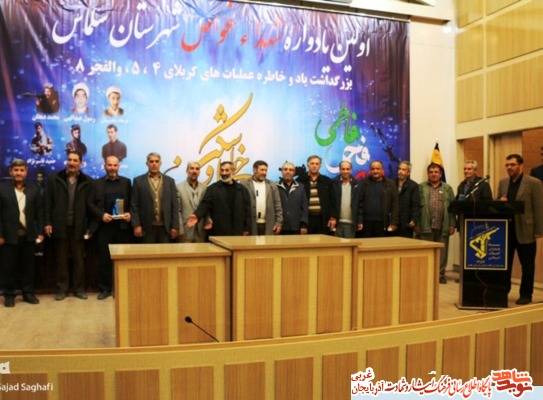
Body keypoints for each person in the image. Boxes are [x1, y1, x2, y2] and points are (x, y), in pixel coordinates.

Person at [45, 151, 91, 300]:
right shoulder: (54, 179)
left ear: (80, 163)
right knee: (61, 260)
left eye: (75, 160)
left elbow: (90, 206)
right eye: (70, 160)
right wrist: (48, 222)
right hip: (60, 226)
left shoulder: (87, 181)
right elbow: (47, 203)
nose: (72, 163)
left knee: (79, 260)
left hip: (79, 227)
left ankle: (79, 289)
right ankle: (62, 289)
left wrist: (90, 227)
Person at [497, 154, 543, 305]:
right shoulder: (503, 183)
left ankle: (526, 294)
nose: (509, 167)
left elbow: (538, 208)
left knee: (527, 265)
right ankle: (503, 292)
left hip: (526, 230)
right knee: (505, 265)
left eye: (512, 164)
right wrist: (500, 202)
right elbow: (497, 204)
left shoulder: (534, 183)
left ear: (521, 166)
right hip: (506, 231)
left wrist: (539, 230)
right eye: (507, 165)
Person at [0, 159, 44, 307]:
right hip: (8, 236)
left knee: (28, 267)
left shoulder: (34, 189)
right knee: (8, 267)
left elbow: (39, 212)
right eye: (16, 170)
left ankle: (28, 293)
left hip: (28, 235)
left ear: (26, 172)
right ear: (10, 172)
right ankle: (9, 294)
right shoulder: (2, 189)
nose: (19, 173)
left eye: (21, 170)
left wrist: (41, 231)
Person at [87, 156, 132, 300]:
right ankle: (105, 288)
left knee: (122, 259)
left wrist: (130, 214)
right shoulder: (96, 184)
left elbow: (133, 202)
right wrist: (101, 215)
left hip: (122, 227)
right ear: (105, 166)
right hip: (103, 227)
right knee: (104, 259)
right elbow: (89, 204)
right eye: (109, 165)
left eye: (115, 165)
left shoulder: (126, 182)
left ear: (119, 166)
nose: (112, 168)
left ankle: (120, 287)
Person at [187, 161, 251, 236]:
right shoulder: (213, 188)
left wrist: (247, 229)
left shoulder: (242, 190)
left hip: (238, 231)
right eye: (222, 170)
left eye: (227, 170)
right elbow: (205, 204)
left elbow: (248, 211)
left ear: (233, 171)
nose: (224, 173)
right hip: (219, 232)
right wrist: (197, 215)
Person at [418, 163, 456, 284]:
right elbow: (416, 207)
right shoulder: (420, 188)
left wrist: (452, 224)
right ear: (428, 174)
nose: (433, 174)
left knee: (442, 253)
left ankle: (440, 275)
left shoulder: (447, 188)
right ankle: (426, 274)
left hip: (443, 225)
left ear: (440, 174)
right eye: (431, 172)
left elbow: (453, 208)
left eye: (436, 172)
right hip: (425, 225)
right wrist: (417, 224)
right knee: (426, 252)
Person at [130, 153, 179, 243]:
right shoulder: (138, 181)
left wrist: (175, 226)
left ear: (160, 163)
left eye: (156, 161)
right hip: (146, 227)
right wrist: (136, 225)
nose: (154, 164)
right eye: (151, 161)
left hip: (165, 227)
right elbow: (134, 205)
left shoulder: (170, 181)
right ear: (147, 163)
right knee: (148, 252)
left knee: (165, 251)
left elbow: (175, 206)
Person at [239, 160, 283, 235]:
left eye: (266, 170)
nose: (264, 173)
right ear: (254, 170)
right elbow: (240, 206)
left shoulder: (272, 185)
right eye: (262, 170)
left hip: (268, 225)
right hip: (250, 226)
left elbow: (277, 205)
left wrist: (278, 223)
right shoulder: (244, 184)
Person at [296, 155, 337, 234]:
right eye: (312, 163)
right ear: (308, 165)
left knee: (323, 241)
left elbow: (333, 201)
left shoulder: (327, 181)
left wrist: (333, 217)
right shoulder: (300, 180)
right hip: (306, 220)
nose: (314, 166)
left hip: (323, 219)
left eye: (317, 164)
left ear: (320, 166)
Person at [358, 160, 399, 237]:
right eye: (373, 169)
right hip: (366, 223)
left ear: (382, 169)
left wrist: (394, 222)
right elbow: (359, 204)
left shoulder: (390, 184)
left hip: (383, 223)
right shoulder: (363, 183)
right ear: (370, 170)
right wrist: (359, 221)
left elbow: (395, 205)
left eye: (377, 169)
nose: (375, 171)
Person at [176, 161, 209, 243]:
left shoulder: (204, 187)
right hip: (185, 230)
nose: (194, 171)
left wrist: (208, 221)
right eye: (192, 168)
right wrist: (180, 230)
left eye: (197, 169)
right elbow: (177, 211)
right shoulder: (178, 187)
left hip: (201, 231)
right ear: (187, 171)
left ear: (199, 172)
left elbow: (207, 207)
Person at [277, 161, 308, 235]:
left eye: (291, 170)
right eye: (285, 169)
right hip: (280, 227)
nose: (288, 172)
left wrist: (304, 224)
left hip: (296, 227)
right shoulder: (275, 187)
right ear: (282, 171)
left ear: (294, 172)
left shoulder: (301, 187)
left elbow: (304, 206)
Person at [332, 161, 362, 238]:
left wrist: (360, 221)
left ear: (351, 170)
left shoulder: (357, 184)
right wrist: (332, 217)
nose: (345, 171)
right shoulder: (333, 183)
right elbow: (330, 203)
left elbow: (360, 205)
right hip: (336, 223)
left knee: (349, 245)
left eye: (348, 169)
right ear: (339, 170)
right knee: (335, 245)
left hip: (351, 224)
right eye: (343, 169)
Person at [396, 161, 420, 238]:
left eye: (403, 170)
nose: (400, 171)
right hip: (393, 221)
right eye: (399, 169)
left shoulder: (413, 186)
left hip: (406, 221)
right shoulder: (391, 183)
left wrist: (414, 219)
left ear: (408, 172)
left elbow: (415, 204)